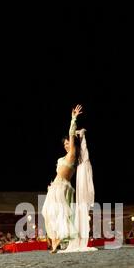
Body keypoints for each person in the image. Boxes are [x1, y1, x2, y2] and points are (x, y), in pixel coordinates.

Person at [42, 105, 96, 253]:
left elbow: (71, 134)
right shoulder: (63, 157)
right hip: (56, 186)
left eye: (68, 143)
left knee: (58, 212)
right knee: (47, 211)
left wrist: (73, 118)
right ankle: (55, 240)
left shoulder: (73, 154)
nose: (66, 145)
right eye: (64, 144)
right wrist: (51, 185)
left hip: (62, 187)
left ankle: (58, 239)